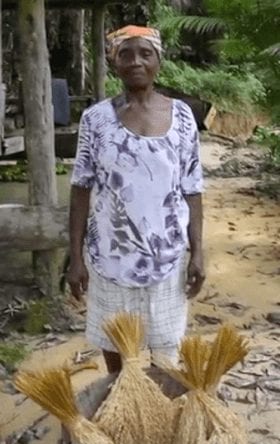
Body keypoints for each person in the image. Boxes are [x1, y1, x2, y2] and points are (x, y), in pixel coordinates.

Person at [68, 25, 205, 374]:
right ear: (114, 61)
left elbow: (192, 187)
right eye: (125, 54)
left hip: (167, 260)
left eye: (145, 53)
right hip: (110, 260)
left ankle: (159, 415)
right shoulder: (96, 119)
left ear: (159, 60)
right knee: (118, 356)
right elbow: (81, 189)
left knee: (166, 356)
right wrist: (75, 258)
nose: (136, 62)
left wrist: (198, 251)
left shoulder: (183, 117)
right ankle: (123, 408)